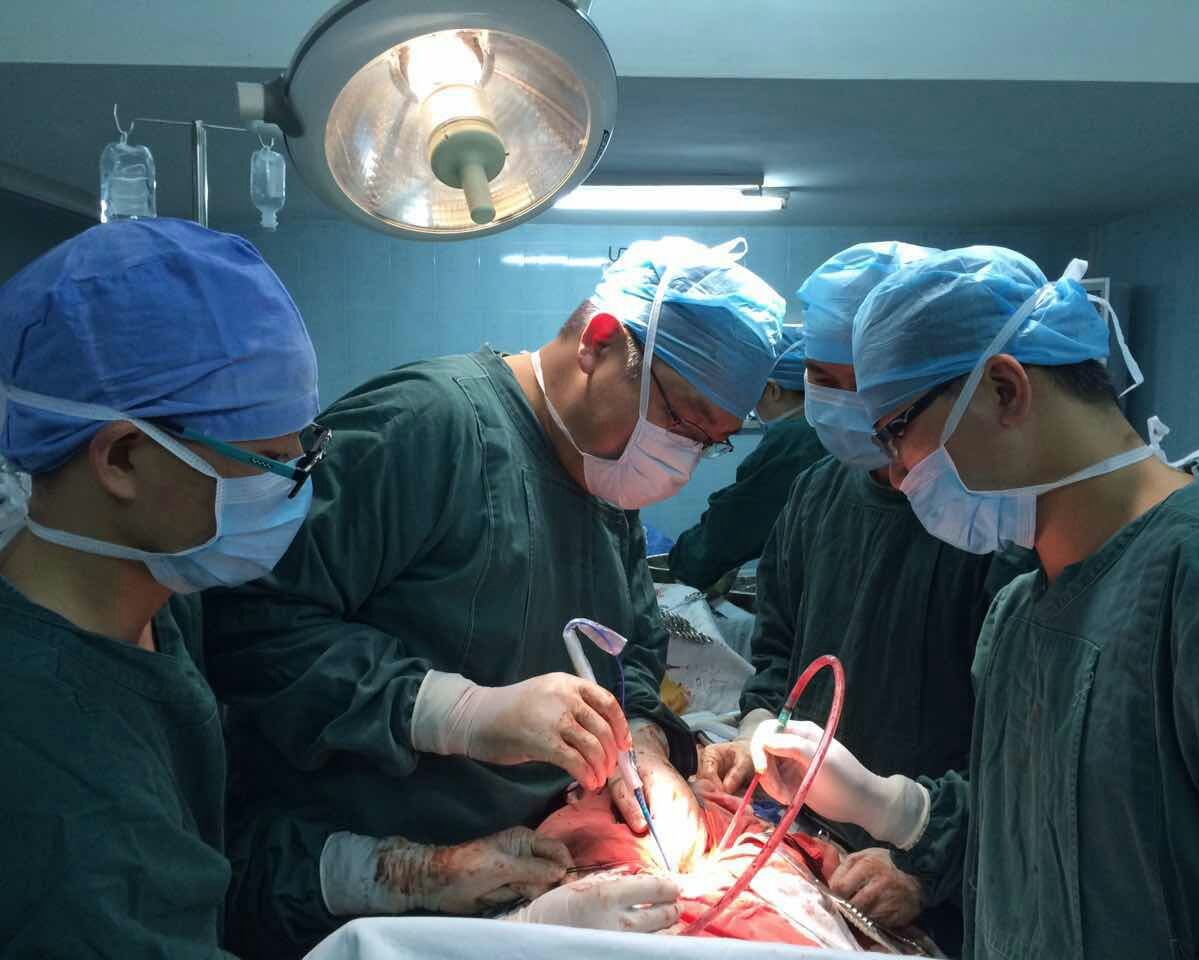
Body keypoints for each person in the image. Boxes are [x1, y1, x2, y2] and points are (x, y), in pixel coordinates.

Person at [202, 237, 786, 957]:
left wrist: (642, 743)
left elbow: (628, 645)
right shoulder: (428, 426)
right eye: (684, 421)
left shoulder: (607, 480)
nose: (684, 458)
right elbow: (246, 624)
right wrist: (451, 710)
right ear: (600, 342)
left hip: (521, 892)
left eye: (712, 441)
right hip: (354, 898)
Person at [752, 246, 1199, 959]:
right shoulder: (1019, 616)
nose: (897, 473)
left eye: (897, 431)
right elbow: (1041, 841)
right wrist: (891, 805)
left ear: (1004, 388)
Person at [696, 241, 1031, 952]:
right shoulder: (817, 495)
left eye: (862, 385)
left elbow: (1029, 755)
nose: (844, 406)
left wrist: (928, 860)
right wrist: (757, 729)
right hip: (813, 845)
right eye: (820, 379)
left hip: (943, 876)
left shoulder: (990, 523)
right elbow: (779, 648)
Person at [0, 218, 321, 956]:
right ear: (121, 458)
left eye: (303, 447)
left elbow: (191, 870)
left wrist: (395, 874)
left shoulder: (159, 593)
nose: (296, 483)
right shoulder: (46, 760)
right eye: (268, 459)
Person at [667, 325, 826, 590]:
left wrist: (684, 562)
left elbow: (735, 523)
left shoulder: (795, 439)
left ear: (773, 390)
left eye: (752, 395)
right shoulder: (832, 431)